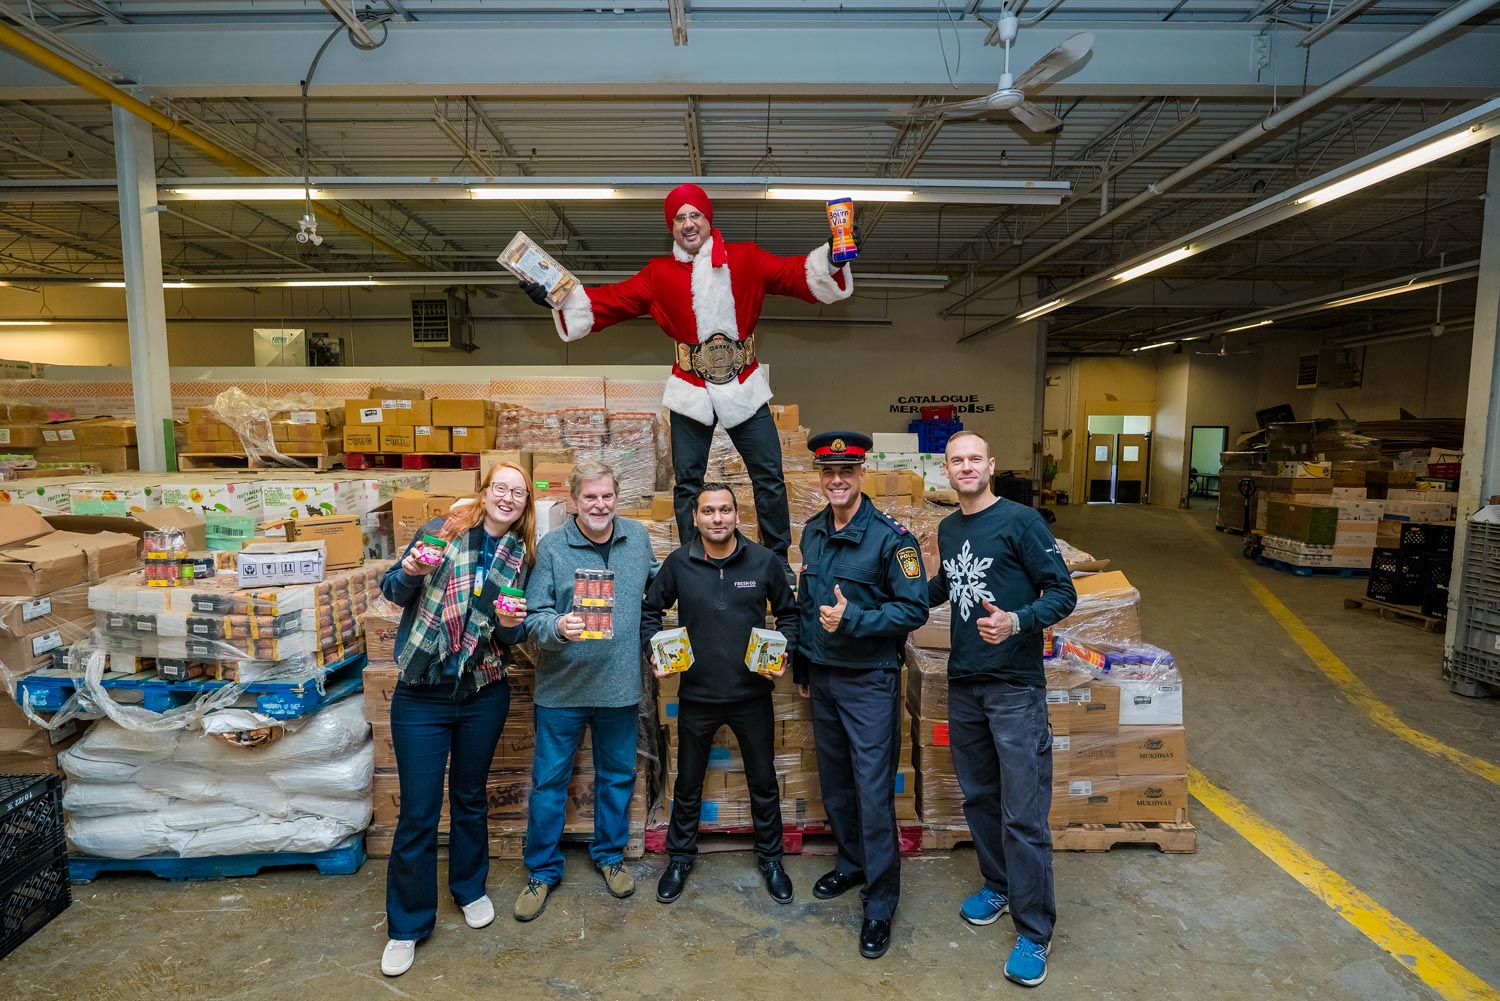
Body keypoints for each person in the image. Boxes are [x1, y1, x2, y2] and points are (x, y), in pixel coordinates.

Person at [518, 183, 855, 570]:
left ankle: (777, 561)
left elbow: (794, 274)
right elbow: (610, 299)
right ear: (672, 227)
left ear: (708, 220)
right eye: (679, 218)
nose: (688, 223)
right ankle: (695, 562)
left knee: (769, 477)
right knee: (687, 484)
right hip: (691, 390)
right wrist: (557, 297)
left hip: (743, 385)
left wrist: (832, 259)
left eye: (695, 215)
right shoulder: (658, 274)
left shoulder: (746, 258)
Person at [929, 431, 1077, 989]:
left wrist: (1016, 621)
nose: (966, 467)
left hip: (1014, 687)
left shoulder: (1022, 521)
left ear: (991, 465)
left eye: (974, 458)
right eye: (956, 460)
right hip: (964, 683)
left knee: (1023, 813)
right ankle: (998, 885)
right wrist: (887, 591)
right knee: (981, 798)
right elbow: (946, 585)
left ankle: (1035, 931)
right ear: (946, 471)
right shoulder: (949, 528)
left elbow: (1062, 592)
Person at [377, 462, 536, 977]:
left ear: (525, 505)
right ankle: (407, 925)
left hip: (481, 691)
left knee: (470, 798)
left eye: (518, 492)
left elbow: (508, 637)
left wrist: (511, 626)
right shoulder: (441, 531)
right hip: (421, 694)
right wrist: (411, 570)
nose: (507, 497)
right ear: (484, 492)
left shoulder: (521, 556)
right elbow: (392, 590)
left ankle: (469, 889)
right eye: (500, 488)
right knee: (419, 812)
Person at [793, 431, 928, 960]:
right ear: (819, 477)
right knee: (837, 783)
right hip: (825, 678)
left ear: (861, 473)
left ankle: (880, 901)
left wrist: (855, 618)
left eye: (846, 471)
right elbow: (807, 606)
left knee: (872, 793)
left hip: (869, 679)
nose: (837, 480)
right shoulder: (813, 532)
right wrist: (804, 663)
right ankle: (851, 864)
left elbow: (914, 610)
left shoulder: (892, 540)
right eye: (828, 472)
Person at [641, 482, 800, 905]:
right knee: (688, 783)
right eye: (708, 511)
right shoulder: (679, 563)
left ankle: (771, 860)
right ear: (695, 518)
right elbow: (649, 611)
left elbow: (790, 614)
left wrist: (785, 652)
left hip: (752, 695)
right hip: (698, 696)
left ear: (737, 515)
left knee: (763, 781)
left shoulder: (763, 561)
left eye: (725, 510)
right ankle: (679, 859)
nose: (717, 518)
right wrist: (654, 652)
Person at [515, 461, 656, 921]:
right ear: (574, 500)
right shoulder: (553, 548)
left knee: (616, 777)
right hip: (561, 690)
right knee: (549, 784)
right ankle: (541, 870)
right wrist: (557, 626)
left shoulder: (637, 539)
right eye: (590, 497)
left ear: (617, 497)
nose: (600, 505)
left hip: (620, 688)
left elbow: (656, 592)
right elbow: (532, 616)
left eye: (607, 496)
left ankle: (610, 856)